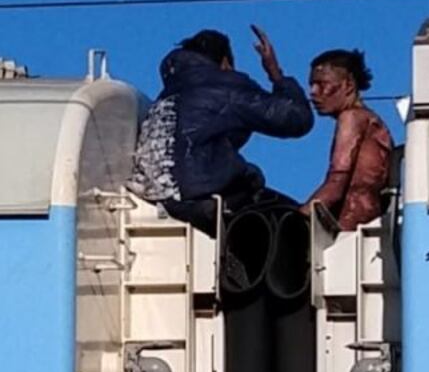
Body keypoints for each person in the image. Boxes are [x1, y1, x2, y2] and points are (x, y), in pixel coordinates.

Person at [128, 26, 313, 235]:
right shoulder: (225, 86)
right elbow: (296, 119)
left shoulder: (169, 93)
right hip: (197, 196)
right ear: (225, 62)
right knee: (294, 222)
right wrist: (276, 74)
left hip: (155, 195)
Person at [302, 49, 392, 231]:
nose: (313, 92)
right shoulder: (373, 121)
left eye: (322, 84)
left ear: (348, 85)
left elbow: (336, 183)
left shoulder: (351, 117)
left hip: (349, 229)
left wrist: (297, 218)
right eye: (312, 85)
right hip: (372, 223)